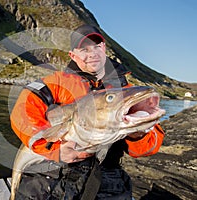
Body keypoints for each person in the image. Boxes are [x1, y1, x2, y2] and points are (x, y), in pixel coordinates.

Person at [10, 24, 165, 199]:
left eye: (96, 46)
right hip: (55, 170)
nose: (92, 53)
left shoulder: (126, 91)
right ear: (73, 55)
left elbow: (150, 145)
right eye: (84, 49)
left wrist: (137, 134)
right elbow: (23, 109)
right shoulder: (55, 82)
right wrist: (53, 149)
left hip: (106, 175)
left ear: (104, 48)